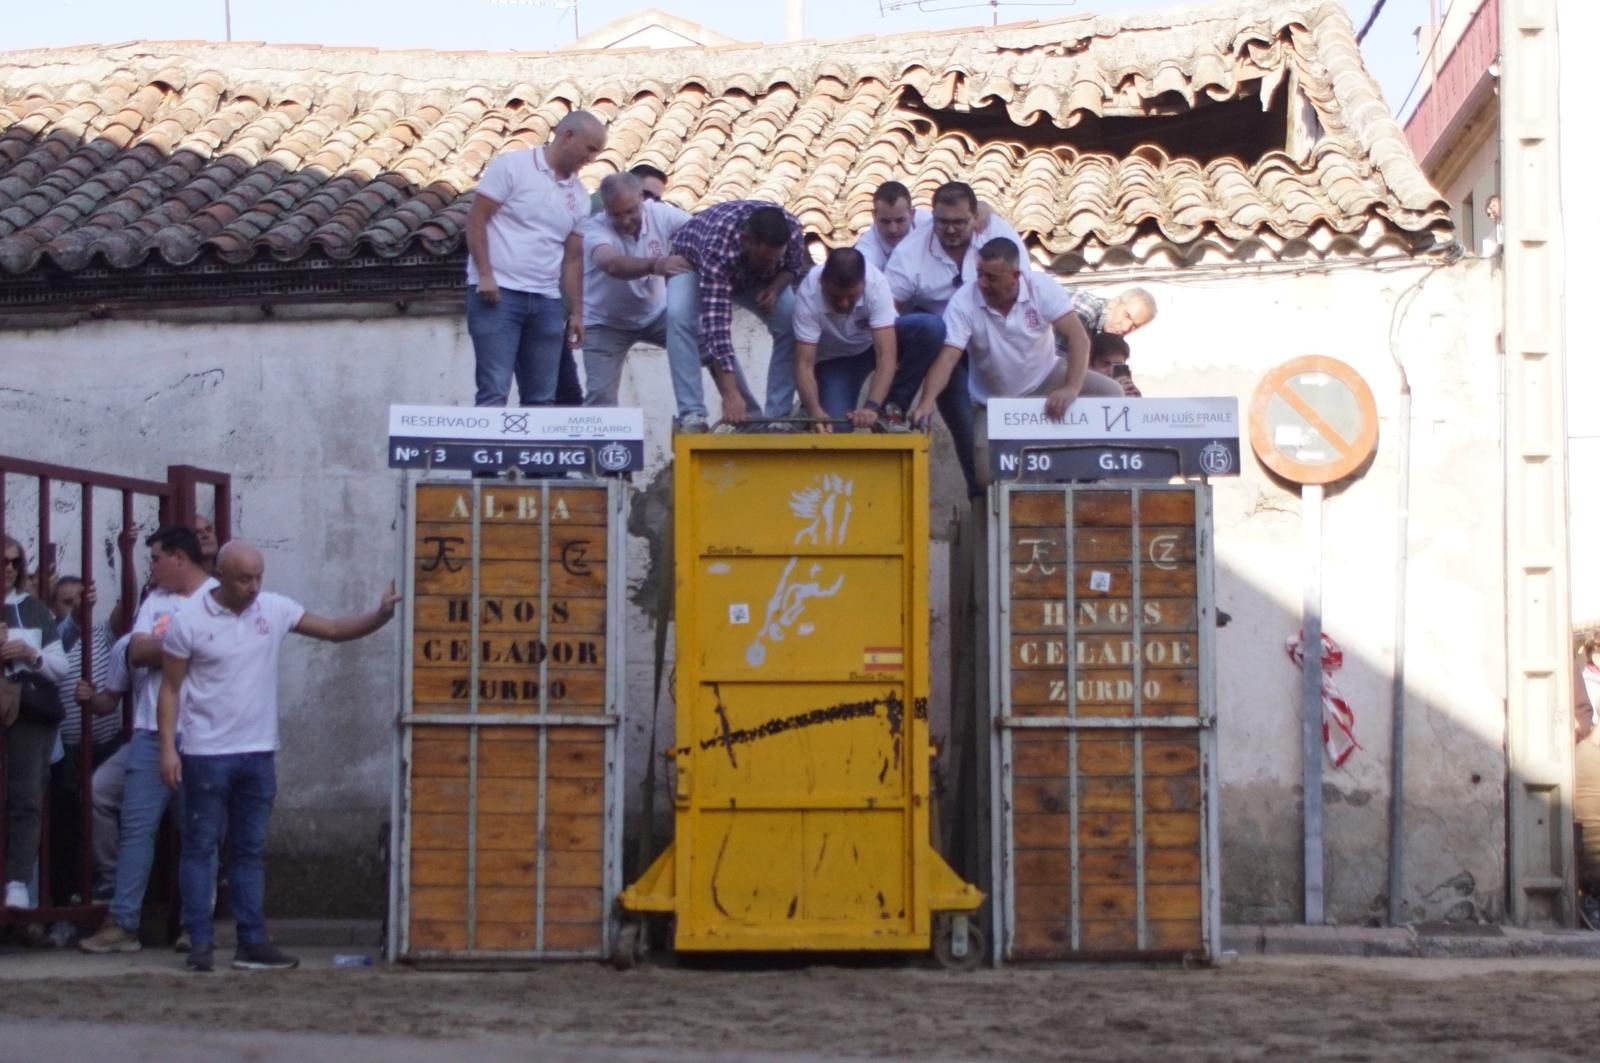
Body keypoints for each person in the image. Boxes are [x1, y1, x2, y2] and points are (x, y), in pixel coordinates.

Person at [156, 541, 399, 972]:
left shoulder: (273, 608)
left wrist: (379, 615)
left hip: (258, 750)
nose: (253, 587)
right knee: (200, 849)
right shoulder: (187, 620)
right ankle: (201, 943)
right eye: (243, 579)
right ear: (221, 576)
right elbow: (170, 689)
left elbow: (334, 631)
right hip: (205, 752)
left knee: (249, 851)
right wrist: (168, 748)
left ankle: (251, 942)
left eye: (258, 577)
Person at [78, 527, 215, 953]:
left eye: (155, 558)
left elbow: (216, 651)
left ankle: (197, 927)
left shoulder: (217, 597)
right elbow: (136, 651)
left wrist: (171, 646)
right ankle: (123, 923)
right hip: (151, 733)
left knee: (200, 834)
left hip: (203, 735)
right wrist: (186, 646)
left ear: (178, 557)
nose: (150, 567)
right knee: (137, 829)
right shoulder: (155, 600)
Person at [909, 239, 1123, 485]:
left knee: (1111, 392)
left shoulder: (1041, 287)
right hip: (993, 401)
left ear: (1016, 276)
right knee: (984, 475)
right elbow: (947, 358)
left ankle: (1085, 475)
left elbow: (1079, 338)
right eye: (979, 274)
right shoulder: (964, 300)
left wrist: (1071, 388)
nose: (982, 283)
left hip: (1047, 377)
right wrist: (925, 404)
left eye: (992, 277)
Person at [884, 181, 1026, 497]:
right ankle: (980, 499)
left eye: (959, 223)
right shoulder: (910, 253)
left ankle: (1019, 501)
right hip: (945, 348)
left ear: (976, 218)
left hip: (996, 341)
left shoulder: (999, 236)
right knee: (966, 427)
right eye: (943, 222)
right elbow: (887, 317)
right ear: (930, 217)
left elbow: (1023, 291)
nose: (950, 230)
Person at [465, 110, 606, 407]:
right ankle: (487, 453)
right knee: (494, 391)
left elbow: (572, 259)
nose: (592, 158)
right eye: (590, 149)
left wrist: (577, 313)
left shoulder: (580, 196)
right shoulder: (512, 167)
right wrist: (486, 274)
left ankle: (529, 455)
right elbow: (476, 220)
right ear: (568, 136)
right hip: (498, 295)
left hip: (546, 301)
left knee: (542, 398)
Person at [666, 200, 809, 430]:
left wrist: (774, 288)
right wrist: (730, 394)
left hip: (752, 278)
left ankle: (778, 418)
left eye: (775, 259)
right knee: (678, 317)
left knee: (793, 322)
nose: (769, 265)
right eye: (765, 259)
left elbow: (792, 268)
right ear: (745, 240)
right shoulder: (717, 247)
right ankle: (692, 415)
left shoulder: (792, 232)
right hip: (693, 264)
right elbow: (717, 327)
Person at [577, 172, 694, 406]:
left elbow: (699, 230)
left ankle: (746, 415)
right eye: (616, 215)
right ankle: (601, 444)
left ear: (641, 197)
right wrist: (655, 264)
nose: (625, 221)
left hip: (657, 315)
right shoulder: (593, 229)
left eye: (630, 211)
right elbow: (611, 263)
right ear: (605, 209)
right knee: (600, 397)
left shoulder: (661, 214)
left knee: (714, 351)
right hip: (604, 323)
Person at [2, 534, 69, 911]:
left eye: (15, 561)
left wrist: (31, 653)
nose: (9, 568)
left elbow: (62, 667)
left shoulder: (33, 609)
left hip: (27, 712)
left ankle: (17, 882)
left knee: (26, 796)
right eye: (2, 561)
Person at [793, 247, 904, 431]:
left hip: (871, 347)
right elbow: (803, 363)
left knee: (927, 329)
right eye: (836, 296)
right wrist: (814, 410)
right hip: (835, 359)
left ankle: (893, 410)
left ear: (863, 284)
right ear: (822, 282)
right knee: (835, 427)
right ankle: (807, 410)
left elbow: (886, 355)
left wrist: (872, 407)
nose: (844, 303)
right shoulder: (808, 293)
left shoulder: (876, 284)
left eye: (852, 296)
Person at [1090, 333, 1142, 398]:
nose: (1111, 371)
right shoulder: (1079, 390)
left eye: (1118, 365)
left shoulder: (1128, 391)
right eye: (1105, 364)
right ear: (1090, 366)